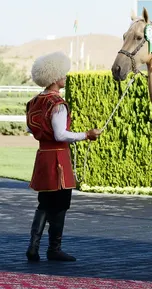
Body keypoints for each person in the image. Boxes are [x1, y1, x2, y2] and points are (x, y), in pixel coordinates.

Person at [25, 51, 101, 262]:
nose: (65, 77)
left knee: (44, 203)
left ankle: (34, 245)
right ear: (54, 76)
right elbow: (60, 134)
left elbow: (31, 129)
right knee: (59, 204)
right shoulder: (57, 103)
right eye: (63, 74)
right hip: (58, 158)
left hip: (43, 156)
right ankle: (53, 249)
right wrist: (86, 135)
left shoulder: (34, 101)